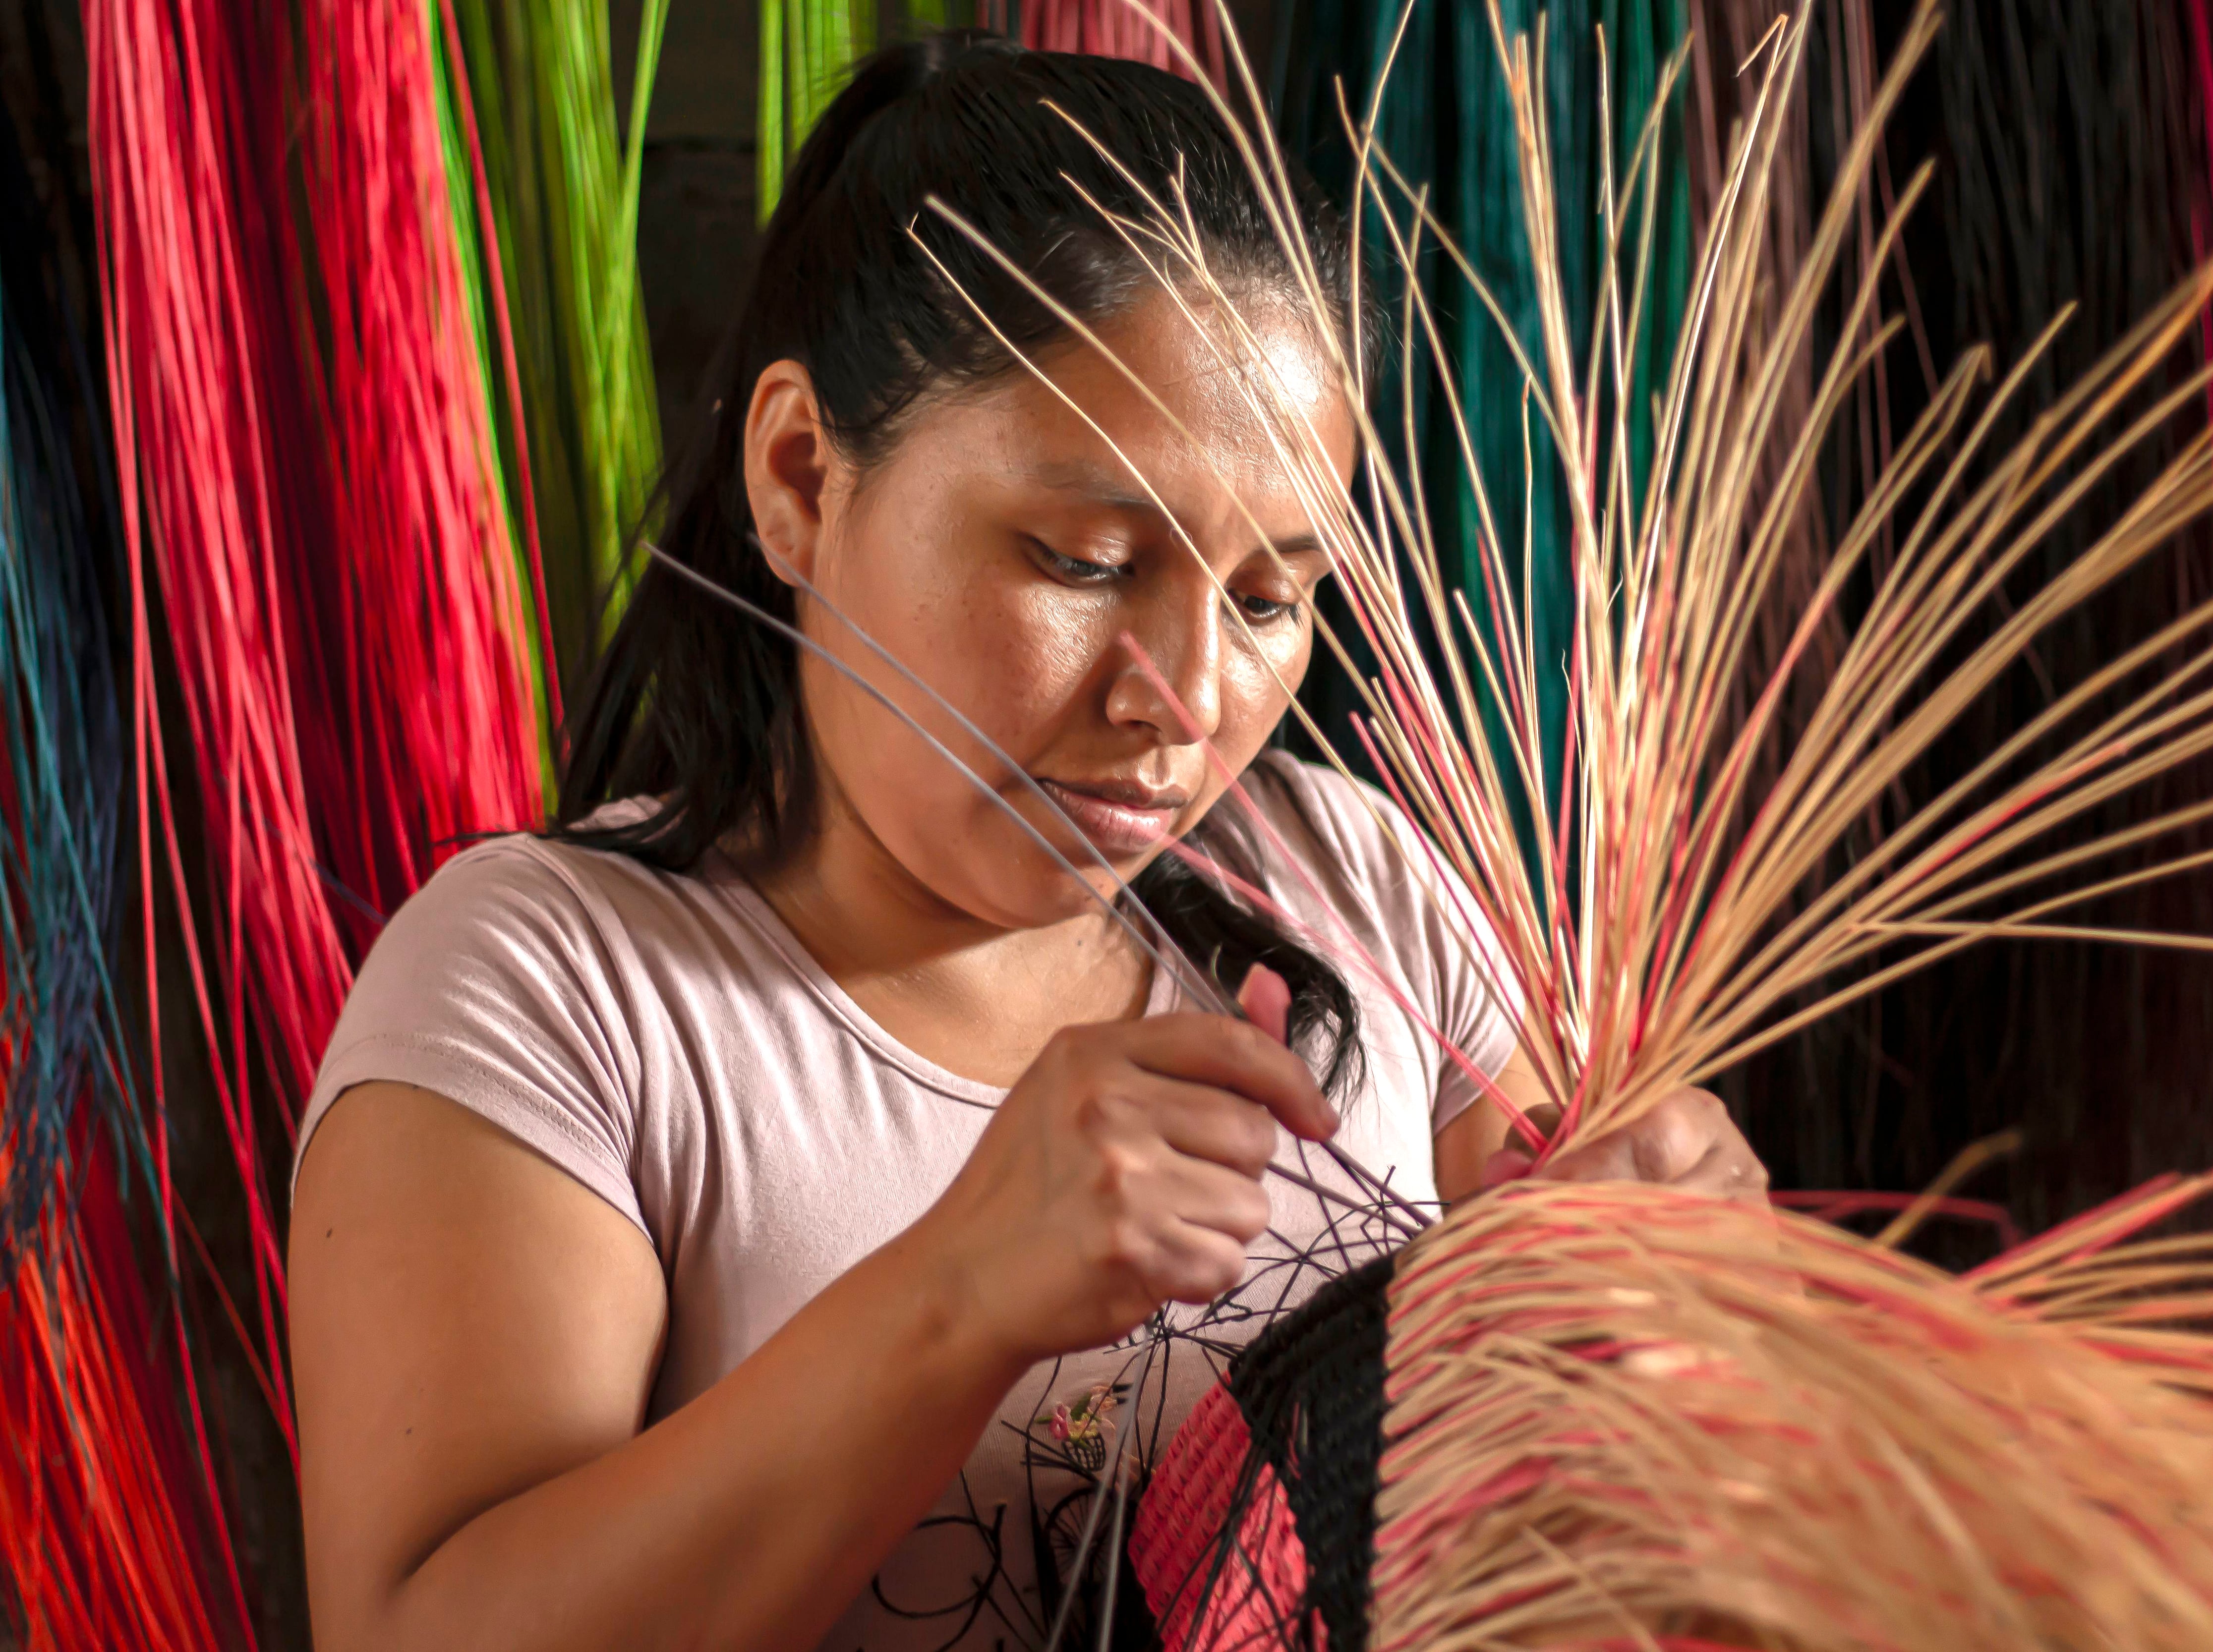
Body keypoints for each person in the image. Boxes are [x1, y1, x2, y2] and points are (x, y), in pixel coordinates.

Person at [287, 32, 1766, 1652]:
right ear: (799, 477)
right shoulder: (557, 989)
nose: (1188, 699)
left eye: (1273, 598)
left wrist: (1671, 1287)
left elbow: (1566, 1449)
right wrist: (965, 1288)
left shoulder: (1352, 885)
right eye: (1084, 561)